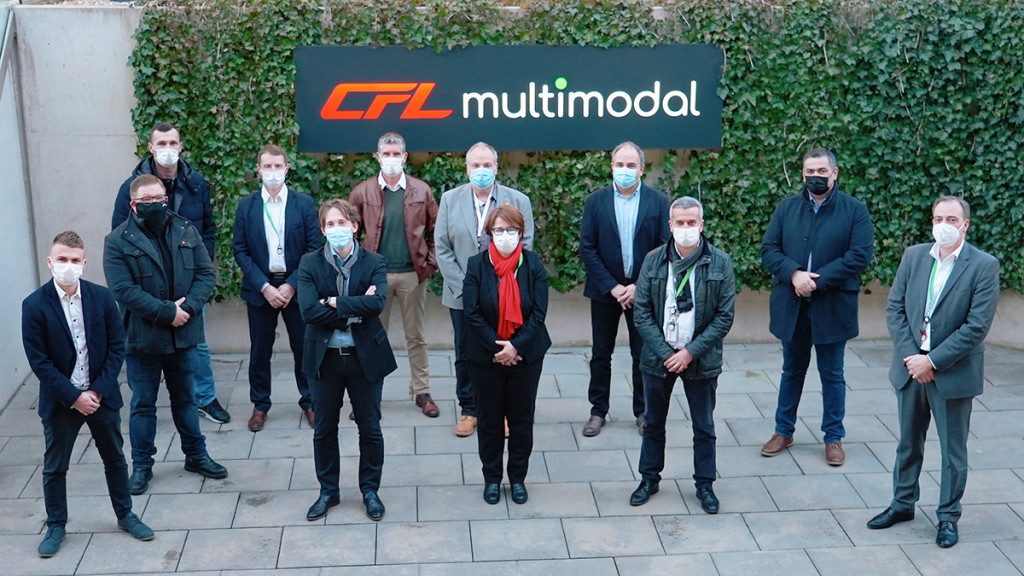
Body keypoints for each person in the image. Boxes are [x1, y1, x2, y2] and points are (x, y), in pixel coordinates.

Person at [867, 196, 999, 548]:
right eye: (938, 218)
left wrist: (933, 361)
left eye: (952, 219)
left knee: (953, 452)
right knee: (908, 443)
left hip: (952, 373)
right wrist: (913, 358)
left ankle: (948, 517)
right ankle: (902, 504)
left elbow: (976, 326)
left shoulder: (984, 265)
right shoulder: (914, 256)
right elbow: (895, 309)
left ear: (965, 225)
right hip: (911, 368)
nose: (944, 224)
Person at [22, 231, 154, 558]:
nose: (68, 265)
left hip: (101, 397)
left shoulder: (103, 298)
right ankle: (56, 525)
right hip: (61, 401)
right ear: (50, 262)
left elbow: (116, 348)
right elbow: (40, 362)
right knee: (55, 467)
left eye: (74, 260)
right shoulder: (34, 305)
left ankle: (125, 514)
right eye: (62, 259)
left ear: (84, 263)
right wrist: (74, 397)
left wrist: (96, 391)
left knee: (115, 459)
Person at [104, 174, 228, 495]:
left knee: (186, 400)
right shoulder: (117, 241)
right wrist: (167, 312)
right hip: (143, 338)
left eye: (159, 198)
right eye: (146, 200)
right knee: (143, 405)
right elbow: (123, 290)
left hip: (184, 334)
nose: (155, 204)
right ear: (134, 205)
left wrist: (190, 308)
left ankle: (196, 455)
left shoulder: (186, 229)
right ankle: (142, 466)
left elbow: (206, 273)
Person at [759, 147, 874, 466]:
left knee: (832, 374)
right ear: (802, 174)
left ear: (834, 173)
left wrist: (816, 281)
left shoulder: (855, 210)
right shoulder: (787, 208)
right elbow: (769, 249)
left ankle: (833, 437)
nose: (815, 176)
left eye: (822, 171)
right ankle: (783, 431)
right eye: (809, 171)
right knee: (791, 371)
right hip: (792, 305)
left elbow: (859, 256)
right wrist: (794, 274)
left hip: (832, 304)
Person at [111, 122, 229, 425]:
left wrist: (198, 272)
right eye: (161, 144)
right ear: (151, 148)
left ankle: (205, 398)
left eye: (172, 143)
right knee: (146, 348)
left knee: (197, 344)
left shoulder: (196, 183)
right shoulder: (132, 186)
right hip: (148, 285)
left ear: (180, 146)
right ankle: (147, 406)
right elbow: (120, 235)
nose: (167, 149)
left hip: (187, 284)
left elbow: (206, 228)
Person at [629, 197, 735, 512]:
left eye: (691, 222)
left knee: (704, 426)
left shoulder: (720, 262)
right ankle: (649, 479)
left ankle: (705, 485)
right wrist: (666, 353)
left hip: (700, 359)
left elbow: (724, 317)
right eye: (680, 222)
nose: (686, 228)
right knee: (653, 422)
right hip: (658, 358)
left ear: (701, 225)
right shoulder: (653, 260)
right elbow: (642, 313)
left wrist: (689, 352)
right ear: (670, 225)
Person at [298, 199, 397, 522]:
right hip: (324, 359)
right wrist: (354, 309)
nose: (337, 229)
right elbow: (308, 311)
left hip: (364, 358)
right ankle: (328, 491)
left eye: (342, 223)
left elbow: (377, 304)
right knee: (324, 429)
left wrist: (333, 302)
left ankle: (370, 490)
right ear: (323, 230)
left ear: (354, 226)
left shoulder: (374, 262)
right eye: (330, 224)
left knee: (370, 428)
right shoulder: (309, 263)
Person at [436, 142, 534, 437]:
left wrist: (496, 287)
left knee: (503, 350)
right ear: (467, 169)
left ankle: (502, 412)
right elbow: (442, 248)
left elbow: (525, 245)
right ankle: (469, 409)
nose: (481, 170)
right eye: (475, 165)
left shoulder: (518, 200)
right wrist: (468, 289)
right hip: (461, 295)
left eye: (487, 165)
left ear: (496, 168)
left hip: (505, 294)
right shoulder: (450, 199)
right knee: (466, 353)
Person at [579, 141, 671, 437]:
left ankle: (643, 412)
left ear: (642, 169)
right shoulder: (595, 201)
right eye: (619, 164)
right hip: (605, 291)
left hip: (643, 293)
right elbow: (587, 248)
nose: (625, 170)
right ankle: (597, 411)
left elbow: (664, 248)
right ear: (611, 167)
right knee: (600, 354)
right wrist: (613, 287)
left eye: (631, 165)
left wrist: (637, 287)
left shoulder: (659, 202)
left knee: (643, 354)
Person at [462, 205, 551, 505]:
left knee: (521, 420)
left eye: (511, 230)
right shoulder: (476, 265)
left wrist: (516, 346)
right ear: (489, 234)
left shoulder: (533, 264)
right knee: (488, 420)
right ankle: (491, 478)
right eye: (498, 230)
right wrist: (500, 347)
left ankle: (517, 479)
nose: (505, 236)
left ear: (521, 233)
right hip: (485, 357)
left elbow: (538, 312)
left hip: (525, 357)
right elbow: (472, 313)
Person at [349, 132, 440, 418]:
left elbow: (436, 231)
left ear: (404, 157)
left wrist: (429, 265)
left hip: (413, 274)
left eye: (396, 154)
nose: (391, 159)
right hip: (376, 279)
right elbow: (351, 233)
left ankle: (422, 391)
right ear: (378, 157)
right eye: (386, 154)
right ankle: (369, 394)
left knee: (417, 336)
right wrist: (358, 272)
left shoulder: (421, 191)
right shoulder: (362, 192)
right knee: (373, 337)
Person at [233, 144, 321, 432]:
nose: (273, 172)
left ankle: (310, 401)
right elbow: (240, 249)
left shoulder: (303, 204)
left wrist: (292, 285)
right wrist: (264, 287)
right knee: (260, 351)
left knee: (304, 348)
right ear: (259, 170)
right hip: (261, 288)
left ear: (287, 168)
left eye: (278, 166)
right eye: (267, 167)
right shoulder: (246, 206)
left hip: (296, 287)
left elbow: (313, 247)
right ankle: (260, 405)